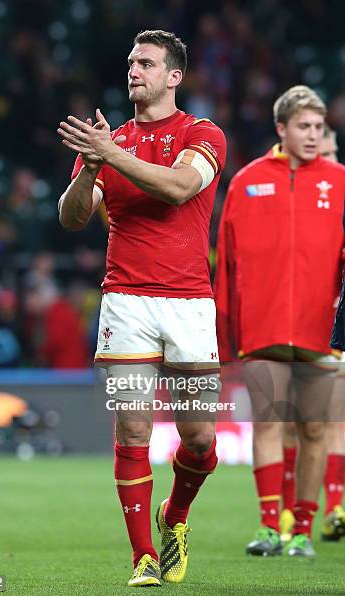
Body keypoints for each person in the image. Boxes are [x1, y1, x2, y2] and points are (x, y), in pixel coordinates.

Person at [58, 29, 226, 587]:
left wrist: (108, 155)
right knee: (133, 430)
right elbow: (72, 218)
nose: (135, 71)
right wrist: (88, 169)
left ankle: (175, 515)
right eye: (131, 62)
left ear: (174, 76)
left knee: (200, 438)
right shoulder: (113, 140)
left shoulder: (203, 134)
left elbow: (180, 188)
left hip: (188, 303)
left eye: (147, 64)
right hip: (126, 299)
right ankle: (142, 557)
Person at [215, 85, 345, 558]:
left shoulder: (341, 180)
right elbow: (225, 263)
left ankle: (302, 532)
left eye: (317, 127)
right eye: (303, 127)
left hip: (319, 332)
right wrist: (224, 332)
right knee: (268, 423)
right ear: (281, 129)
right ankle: (270, 525)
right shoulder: (247, 182)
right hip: (263, 328)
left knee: (313, 429)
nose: (312, 136)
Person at [280, 126, 345, 543]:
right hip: (297, 318)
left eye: (336, 149)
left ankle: (333, 505)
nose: (333, 157)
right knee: (290, 419)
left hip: (335, 317)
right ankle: (286, 510)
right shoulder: (299, 200)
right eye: (327, 150)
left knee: (332, 417)